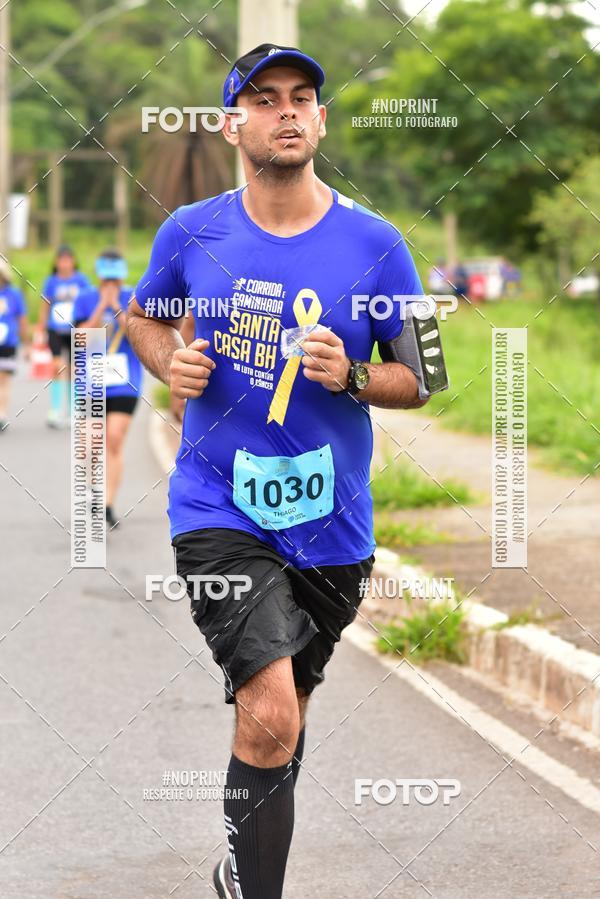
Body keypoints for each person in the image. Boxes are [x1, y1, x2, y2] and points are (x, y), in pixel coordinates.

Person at [127, 43, 447, 899]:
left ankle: (242, 857)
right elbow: (144, 319)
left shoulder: (379, 244)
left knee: (279, 718)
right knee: (269, 708)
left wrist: (349, 373)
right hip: (217, 505)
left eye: (303, 97)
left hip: (332, 524)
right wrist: (170, 363)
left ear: (323, 118)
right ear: (234, 124)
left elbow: (424, 376)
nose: (287, 111)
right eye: (264, 99)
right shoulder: (190, 230)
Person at [74, 250, 142, 529]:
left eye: (116, 278)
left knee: (113, 439)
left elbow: (138, 337)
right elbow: (80, 339)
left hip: (125, 383)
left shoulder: (134, 297)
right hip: (93, 382)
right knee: (90, 443)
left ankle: (107, 504)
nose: (111, 282)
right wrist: (100, 308)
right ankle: (93, 491)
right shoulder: (86, 297)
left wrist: (117, 307)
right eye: (107, 278)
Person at [36, 245, 90, 427]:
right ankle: (55, 410)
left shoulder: (81, 280)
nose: (64, 264)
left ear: (73, 262)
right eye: (61, 260)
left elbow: (89, 302)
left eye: (68, 260)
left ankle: (74, 409)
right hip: (55, 330)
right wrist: (41, 328)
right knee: (57, 367)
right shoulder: (51, 281)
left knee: (75, 369)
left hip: (75, 330)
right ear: (56, 262)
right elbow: (45, 305)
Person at [0, 260, 28, 431]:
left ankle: (1, 414)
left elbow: (22, 319)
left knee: (3, 379)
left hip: (7, 342)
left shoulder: (14, 294)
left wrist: (27, 344)